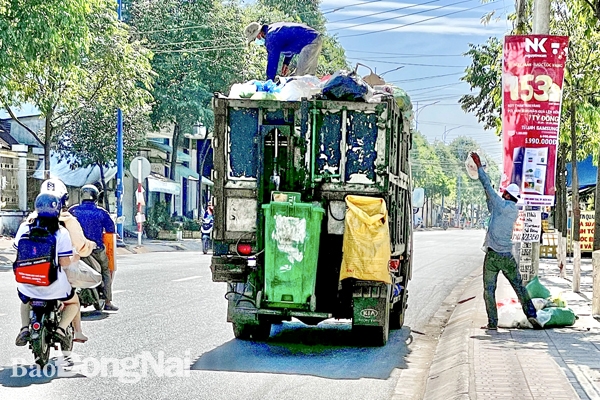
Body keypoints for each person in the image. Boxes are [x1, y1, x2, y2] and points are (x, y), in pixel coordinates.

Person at [471, 152, 541, 330]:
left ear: (508, 195)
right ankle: (531, 315)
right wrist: (489, 193)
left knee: (488, 290)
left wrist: (479, 167)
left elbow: (487, 186)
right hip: (507, 256)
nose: (502, 194)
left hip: (493, 256)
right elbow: (490, 202)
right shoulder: (510, 210)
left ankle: (492, 323)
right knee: (519, 287)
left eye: (504, 193)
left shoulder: (502, 205)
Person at [14, 193, 80, 348]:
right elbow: (64, 262)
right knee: (73, 302)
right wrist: (75, 258)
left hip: (27, 282)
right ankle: (61, 328)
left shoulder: (24, 227)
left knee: (25, 299)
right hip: (54, 286)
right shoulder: (61, 232)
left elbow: (17, 252)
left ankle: (24, 328)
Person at [35, 178, 96, 342]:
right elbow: (81, 247)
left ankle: (26, 327)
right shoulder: (68, 221)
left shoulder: (30, 220)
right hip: (59, 273)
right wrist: (89, 246)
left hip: (32, 274)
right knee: (73, 298)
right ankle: (75, 331)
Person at [69, 185, 118, 312]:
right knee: (106, 270)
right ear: (96, 197)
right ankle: (107, 301)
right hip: (96, 250)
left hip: (76, 250)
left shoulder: (72, 211)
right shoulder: (101, 212)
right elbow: (111, 229)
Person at [244, 21, 323, 81]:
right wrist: (286, 63)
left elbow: (272, 62)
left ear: (258, 34)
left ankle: (305, 100)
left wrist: (269, 81)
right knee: (306, 77)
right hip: (314, 38)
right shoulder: (273, 30)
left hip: (310, 41)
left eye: (254, 39)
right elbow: (290, 42)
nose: (255, 41)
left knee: (301, 77)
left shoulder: (271, 38)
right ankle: (309, 99)